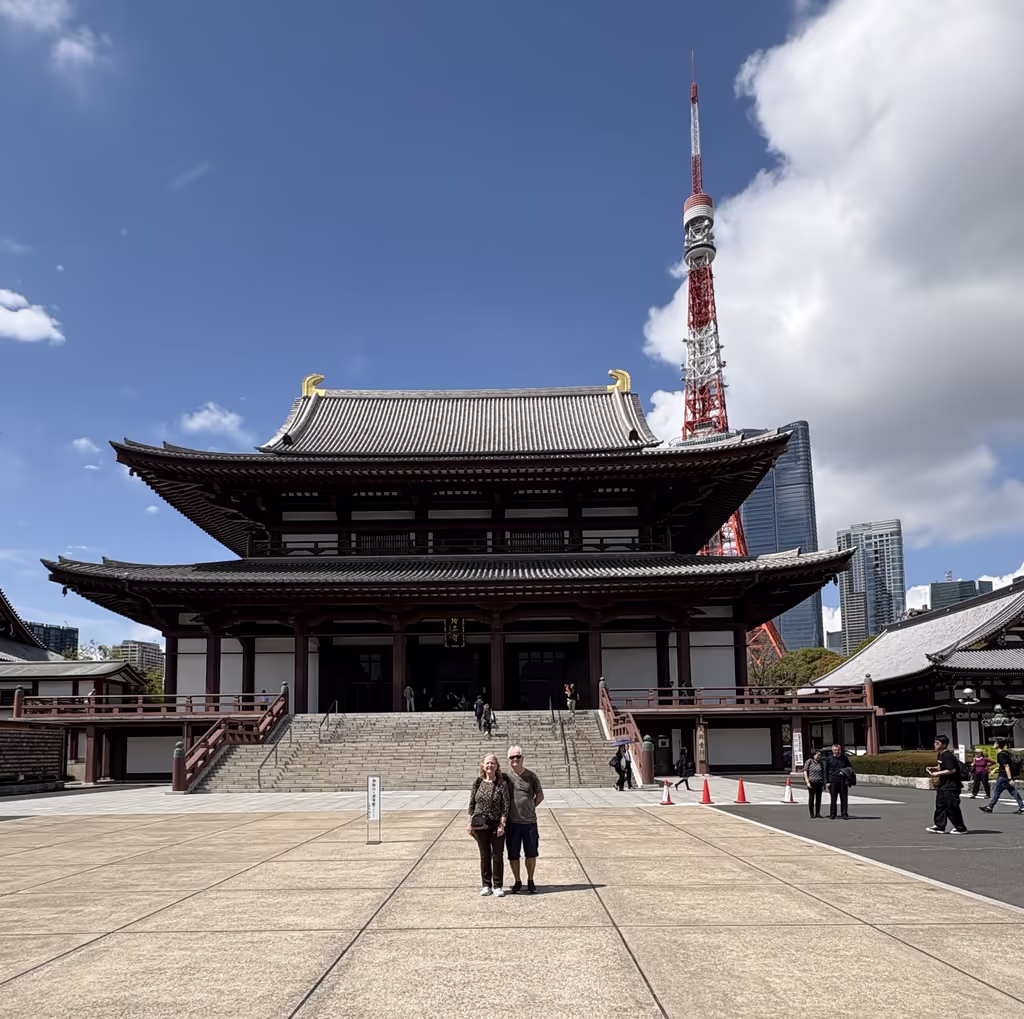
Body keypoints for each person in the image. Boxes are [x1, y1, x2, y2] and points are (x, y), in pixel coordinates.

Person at [467, 753, 510, 896]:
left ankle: (498, 886)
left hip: (496, 825)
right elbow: (472, 804)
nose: (490, 765)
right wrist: (470, 822)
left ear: (497, 766)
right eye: (487, 763)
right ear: (483, 766)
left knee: (497, 855)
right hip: (479, 825)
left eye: (493, 763)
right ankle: (486, 885)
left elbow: (506, 806)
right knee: (484, 855)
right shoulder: (478, 782)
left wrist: (502, 825)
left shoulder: (502, 783)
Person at [505, 745, 544, 894]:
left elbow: (540, 796)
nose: (515, 759)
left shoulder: (531, 776)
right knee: (513, 854)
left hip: (529, 823)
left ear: (522, 758)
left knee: (531, 853)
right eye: (512, 757)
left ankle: (530, 880)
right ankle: (517, 881)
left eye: (518, 757)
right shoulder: (505, 777)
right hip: (512, 823)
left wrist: (530, 807)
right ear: (508, 760)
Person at [926, 734, 968, 833]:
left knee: (951, 806)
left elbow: (951, 770)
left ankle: (960, 828)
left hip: (951, 785)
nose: (935, 745)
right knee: (940, 805)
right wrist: (934, 769)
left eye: (937, 743)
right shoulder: (940, 755)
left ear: (944, 744)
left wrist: (937, 773)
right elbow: (942, 766)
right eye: (935, 743)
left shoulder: (947, 755)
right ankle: (939, 826)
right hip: (943, 784)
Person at [979, 739, 1024, 814]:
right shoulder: (1006, 753)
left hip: (1003, 776)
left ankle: (990, 807)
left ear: (997, 745)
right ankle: (1022, 807)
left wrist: (1010, 779)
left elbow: (1006, 766)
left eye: (995, 743)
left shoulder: (1001, 755)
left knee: (997, 792)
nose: (993, 744)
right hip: (1006, 776)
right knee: (1013, 791)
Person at [824, 742, 851, 819]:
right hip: (833, 781)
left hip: (843, 781)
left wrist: (847, 776)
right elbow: (826, 771)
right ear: (833, 751)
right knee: (833, 798)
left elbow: (850, 768)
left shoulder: (844, 758)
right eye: (835, 750)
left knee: (844, 798)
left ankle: (844, 814)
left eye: (838, 750)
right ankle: (833, 814)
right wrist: (827, 782)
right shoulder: (829, 759)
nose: (837, 751)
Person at [803, 750, 825, 818]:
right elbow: (805, 771)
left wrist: (824, 783)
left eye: (820, 755)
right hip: (812, 782)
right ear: (813, 755)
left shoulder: (821, 763)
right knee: (811, 798)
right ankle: (812, 814)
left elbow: (823, 773)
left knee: (819, 798)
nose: (819, 756)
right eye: (818, 755)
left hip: (819, 782)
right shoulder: (809, 761)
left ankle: (818, 813)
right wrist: (807, 782)